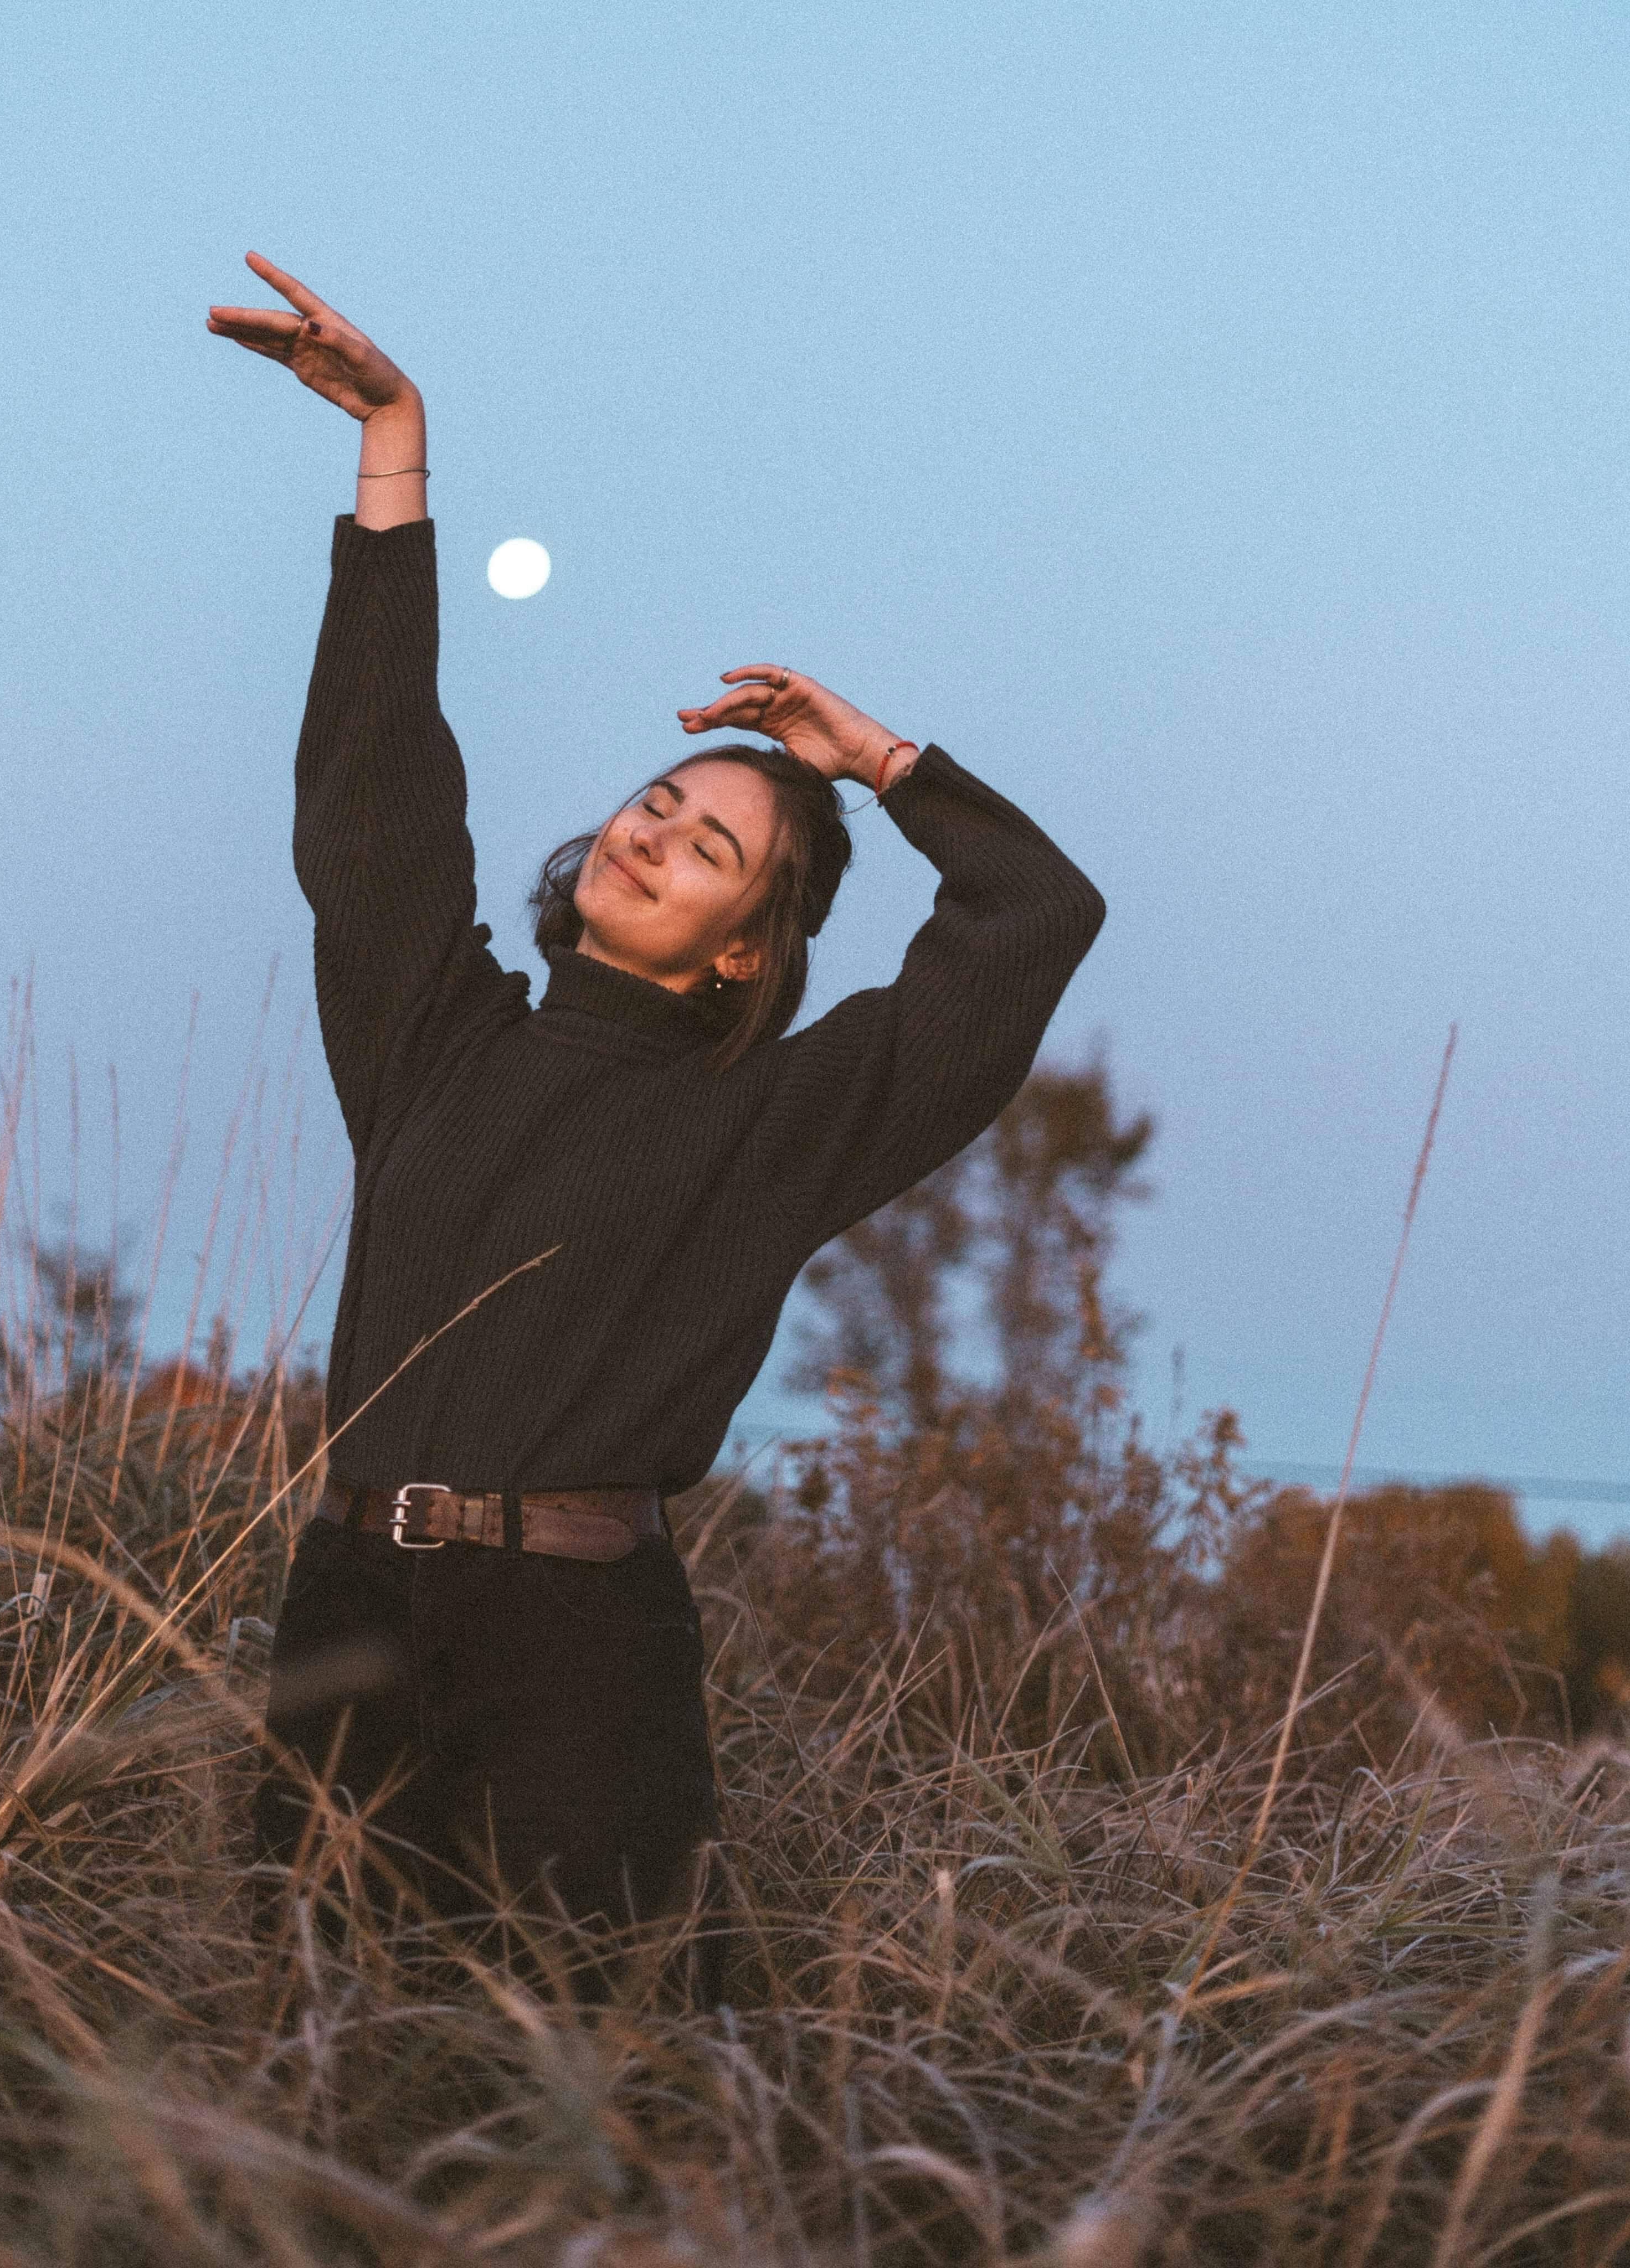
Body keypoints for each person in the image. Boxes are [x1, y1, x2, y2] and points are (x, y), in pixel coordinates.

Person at [208, 252, 1105, 1992]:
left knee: (588, 2103)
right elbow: (374, 789)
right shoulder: (434, 1038)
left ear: (744, 951)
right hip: (346, 1620)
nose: (651, 837)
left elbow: (1030, 923)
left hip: (577, 1662)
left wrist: (881, 764)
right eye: (654, 801)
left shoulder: (773, 1117)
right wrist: (393, 449)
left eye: (710, 850)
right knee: (315, 2073)